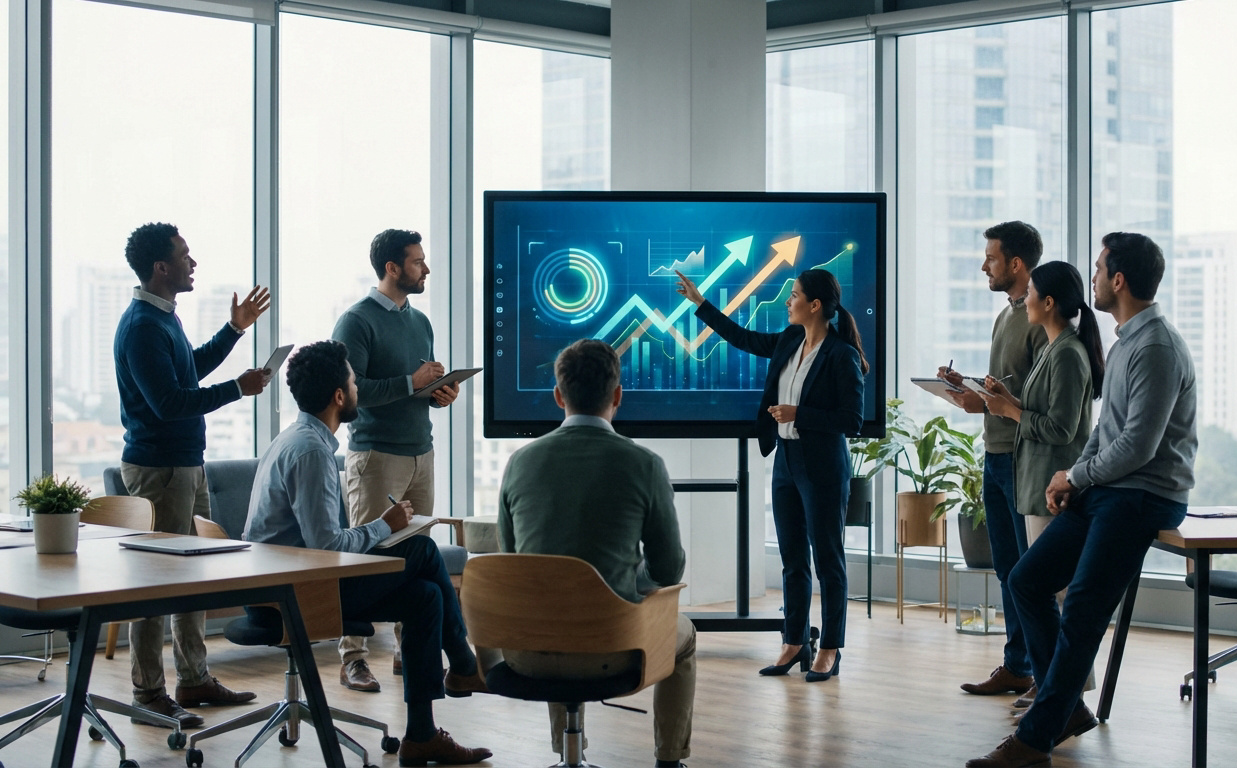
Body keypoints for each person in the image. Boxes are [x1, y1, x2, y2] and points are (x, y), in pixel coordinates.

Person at [966, 232, 1197, 768]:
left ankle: (1035, 739)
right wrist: (1073, 476)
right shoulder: (1126, 342)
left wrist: (1078, 474)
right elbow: (1103, 432)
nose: (1091, 279)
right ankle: (1065, 707)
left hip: (1143, 495)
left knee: (1083, 611)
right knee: (1026, 581)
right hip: (1109, 489)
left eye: (1098, 270)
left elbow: (1137, 447)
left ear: (1118, 280)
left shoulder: (1156, 348)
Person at [243, 340, 491, 766]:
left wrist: (381, 530)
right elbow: (327, 547)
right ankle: (465, 664)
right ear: (340, 397)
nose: (359, 389)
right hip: (295, 595)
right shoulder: (311, 451)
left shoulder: (296, 439)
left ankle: (422, 735)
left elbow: (322, 544)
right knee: (422, 550)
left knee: (425, 597)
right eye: (355, 383)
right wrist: (385, 525)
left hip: (293, 581)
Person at [496, 339, 694, 768]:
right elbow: (669, 569)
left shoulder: (519, 463)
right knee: (686, 635)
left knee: (549, 599)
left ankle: (567, 753)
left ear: (558, 395)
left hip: (527, 652)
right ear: (618, 395)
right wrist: (630, 582)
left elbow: (512, 563)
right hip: (614, 650)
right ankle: (669, 759)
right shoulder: (645, 464)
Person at [675, 267, 866, 682]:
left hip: (823, 466)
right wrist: (700, 303)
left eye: (794, 295)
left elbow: (852, 420)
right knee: (792, 560)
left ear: (815, 305)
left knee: (828, 561)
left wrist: (800, 414)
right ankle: (793, 642)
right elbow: (742, 338)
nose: (788, 301)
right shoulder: (789, 340)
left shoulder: (841, 355)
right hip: (786, 463)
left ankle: (830, 648)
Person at [114, 222, 267, 727]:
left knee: (191, 576)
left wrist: (234, 330)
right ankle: (147, 693)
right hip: (159, 470)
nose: (192, 262)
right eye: (184, 255)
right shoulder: (141, 327)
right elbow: (169, 403)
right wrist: (238, 389)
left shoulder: (163, 318)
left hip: (184, 465)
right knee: (156, 583)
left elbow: (188, 372)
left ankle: (194, 678)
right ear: (161, 267)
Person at [331, 228, 461, 693]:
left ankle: (411, 651)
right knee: (362, 555)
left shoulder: (419, 321)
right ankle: (353, 658)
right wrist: (411, 383)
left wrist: (439, 393)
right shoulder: (355, 321)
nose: (426, 269)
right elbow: (352, 392)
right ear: (392, 267)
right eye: (417, 262)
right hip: (376, 456)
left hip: (421, 452)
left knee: (416, 558)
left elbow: (419, 385)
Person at [938, 221, 1047, 700]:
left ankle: (1042, 673)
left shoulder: (1041, 318)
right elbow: (1006, 387)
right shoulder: (1005, 316)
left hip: (1025, 458)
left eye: (991, 258)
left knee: (1028, 574)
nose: (984, 266)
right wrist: (969, 389)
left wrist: (986, 401)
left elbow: (1039, 399)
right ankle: (1017, 665)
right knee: (1006, 567)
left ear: (1016, 264)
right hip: (995, 454)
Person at [979, 260, 1105, 544]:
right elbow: (1042, 408)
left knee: (1044, 572)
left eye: (1030, 294)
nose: (1025, 302)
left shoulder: (1066, 353)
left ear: (1048, 303)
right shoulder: (1053, 348)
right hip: (1036, 486)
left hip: (1050, 491)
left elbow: (1061, 429)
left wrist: (1010, 411)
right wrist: (1007, 398)